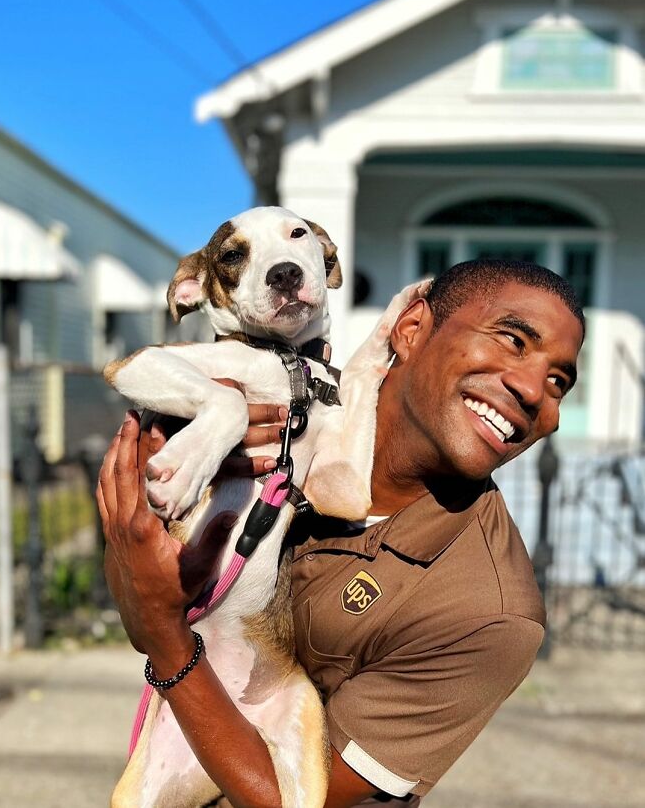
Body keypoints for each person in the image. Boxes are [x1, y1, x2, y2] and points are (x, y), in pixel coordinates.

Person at [98, 259, 584, 808]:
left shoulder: (489, 612)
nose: (534, 391)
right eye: (513, 340)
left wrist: (166, 637)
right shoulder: (268, 417)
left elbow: (291, 800)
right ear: (411, 328)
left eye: (558, 381)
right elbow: (142, 587)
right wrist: (149, 564)